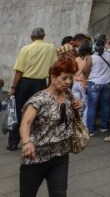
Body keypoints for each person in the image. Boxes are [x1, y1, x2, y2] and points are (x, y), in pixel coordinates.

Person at [18, 58, 82, 197]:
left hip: (60, 156)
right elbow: (25, 123)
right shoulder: (39, 99)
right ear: (53, 76)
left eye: (71, 78)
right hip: (36, 157)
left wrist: (77, 108)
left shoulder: (69, 96)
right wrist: (27, 142)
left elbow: (68, 119)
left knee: (59, 194)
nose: (68, 82)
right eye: (64, 78)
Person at [6, 27, 57, 151]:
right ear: (43, 36)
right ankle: (34, 140)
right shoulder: (51, 48)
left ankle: (13, 142)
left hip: (24, 83)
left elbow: (19, 71)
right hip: (40, 84)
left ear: (31, 37)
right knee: (37, 112)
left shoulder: (26, 49)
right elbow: (53, 69)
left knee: (18, 112)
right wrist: (51, 85)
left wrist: (13, 88)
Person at [86, 39, 110, 135]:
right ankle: (104, 127)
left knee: (91, 106)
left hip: (94, 83)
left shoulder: (91, 57)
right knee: (106, 105)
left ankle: (90, 130)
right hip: (107, 83)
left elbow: (84, 71)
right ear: (105, 45)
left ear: (95, 47)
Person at [72, 42, 92, 122]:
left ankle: (74, 122)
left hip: (75, 83)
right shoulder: (90, 59)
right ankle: (84, 124)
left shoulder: (77, 59)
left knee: (76, 105)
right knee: (87, 105)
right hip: (84, 84)